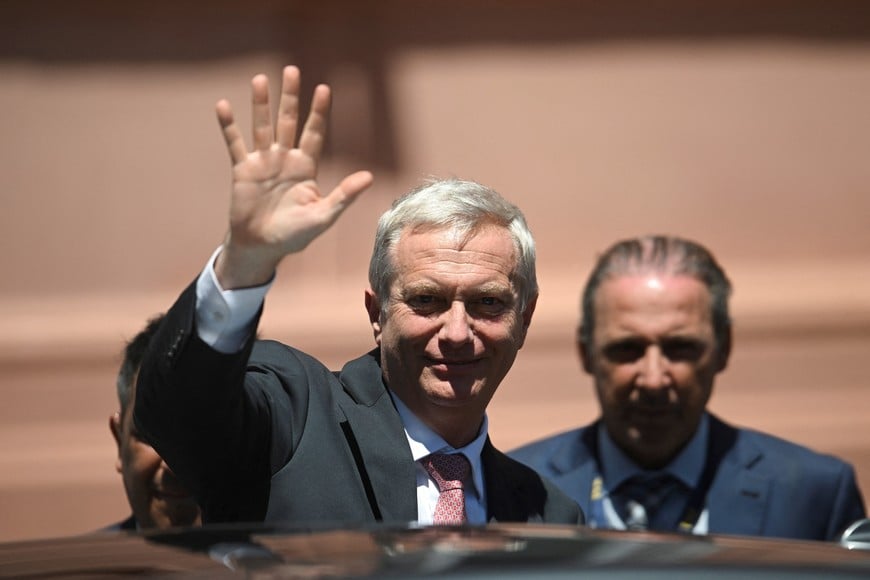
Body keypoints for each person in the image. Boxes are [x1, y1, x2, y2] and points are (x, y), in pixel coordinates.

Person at [133, 65, 583, 527]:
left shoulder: (550, 516)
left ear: (524, 319)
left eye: (488, 303)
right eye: (426, 300)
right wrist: (243, 263)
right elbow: (176, 415)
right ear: (377, 312)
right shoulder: (294, 414)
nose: (456, 333)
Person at [509, 235, 865, 540]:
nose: (653, 379)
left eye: (680, 349)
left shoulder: (814, 493)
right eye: (627, 350)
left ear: (723, 349)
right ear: (585, 354)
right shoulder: (514, 490)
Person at [108, 314, 201, 531]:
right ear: (119, 441)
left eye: (202, 435)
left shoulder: (292, 562)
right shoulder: (85, 564)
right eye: (150, 435)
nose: (172, 464)